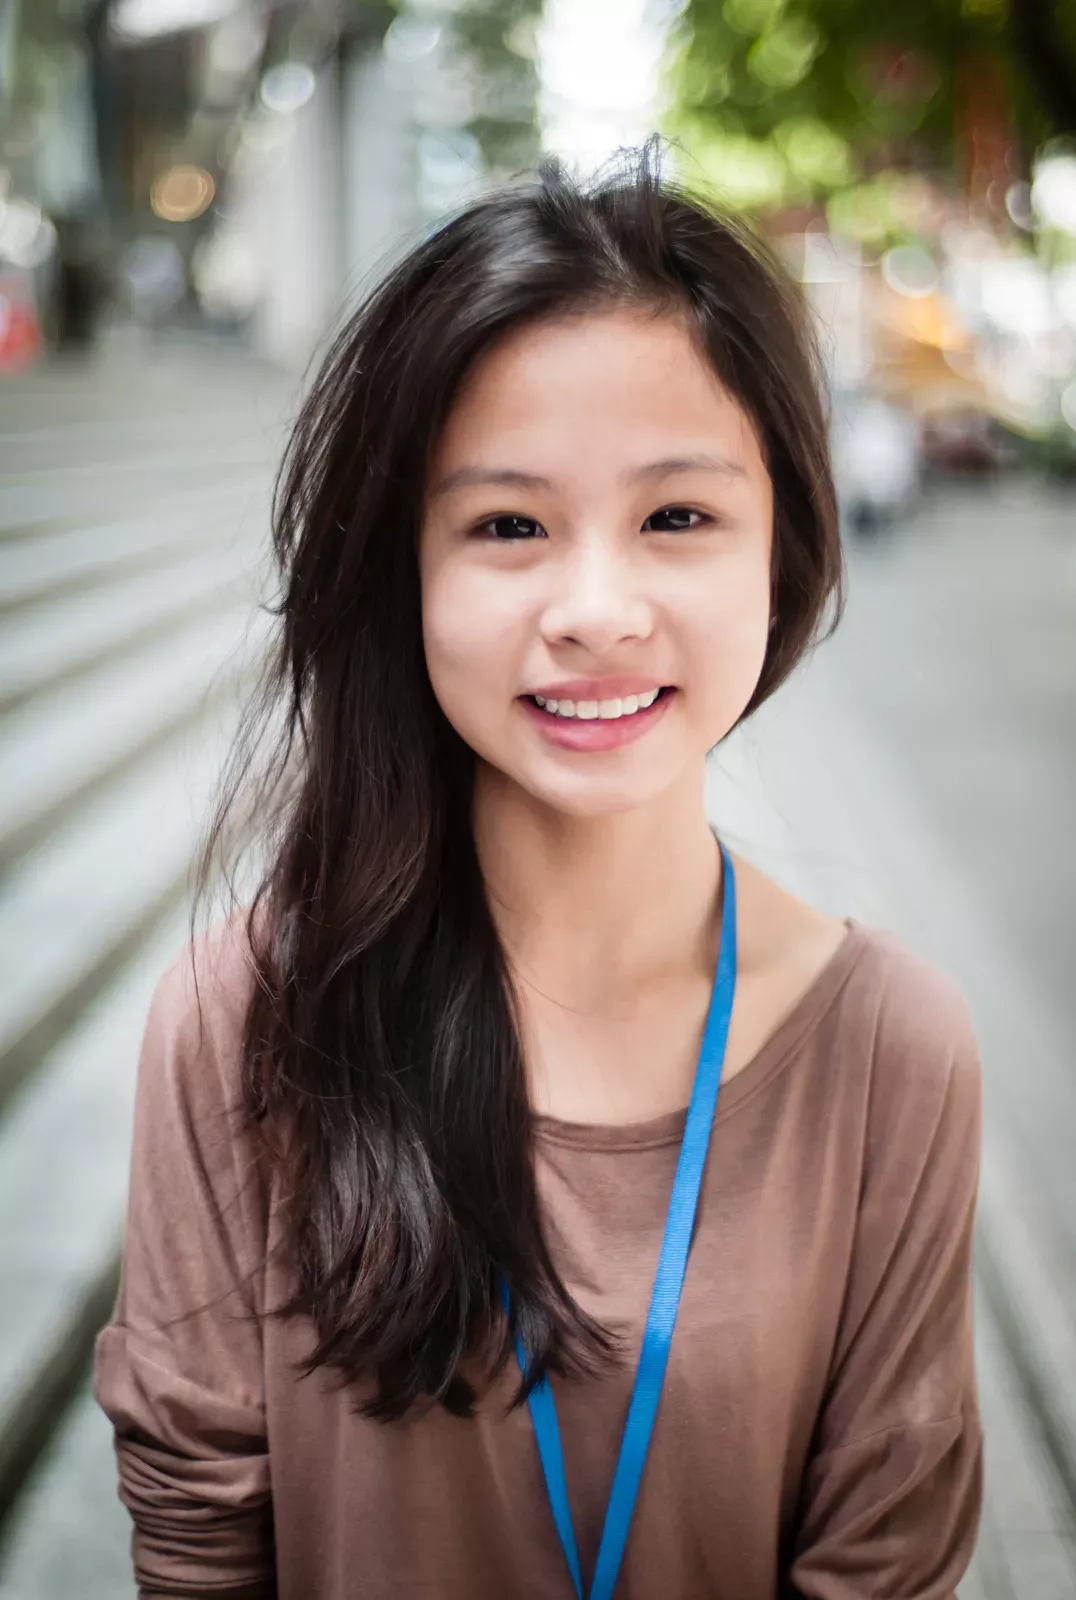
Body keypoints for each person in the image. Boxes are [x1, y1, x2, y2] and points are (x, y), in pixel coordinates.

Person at [94, 145, 983, 1599]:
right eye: (507, 525)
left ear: (787, 552)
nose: (595, 608)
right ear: (407, 575)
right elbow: (198, 1543)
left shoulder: (894, 1054)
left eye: (677, 517)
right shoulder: (249, 1019)